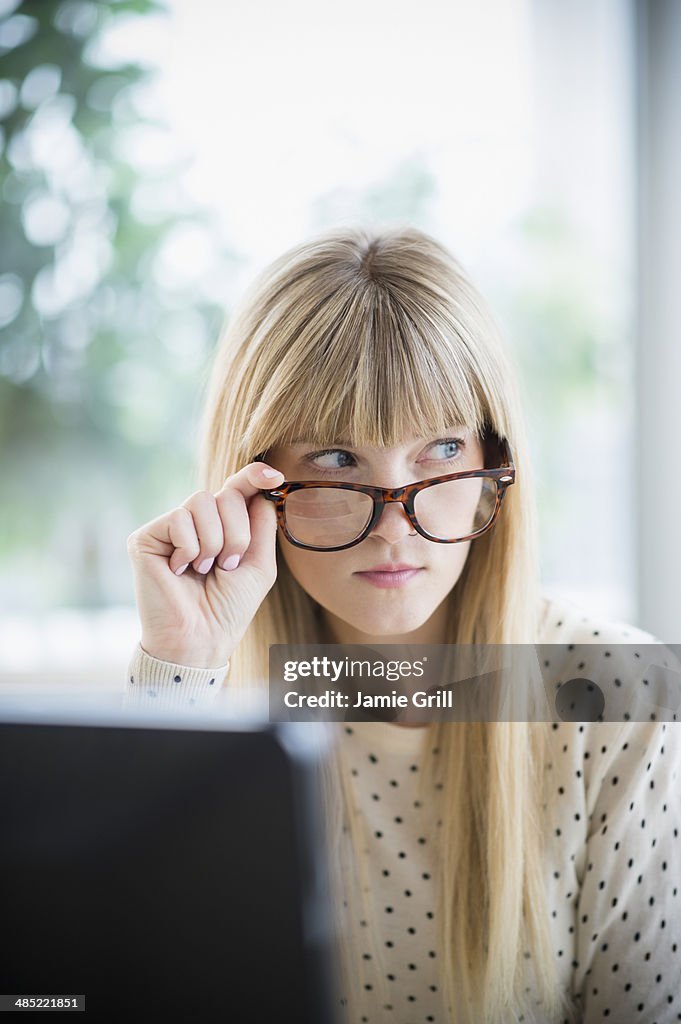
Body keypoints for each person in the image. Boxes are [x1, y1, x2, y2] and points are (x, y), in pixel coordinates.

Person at [125, 225, 681, 1024]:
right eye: (338, 461)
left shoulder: (619, 697)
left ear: (495, 467)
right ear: (250, 482)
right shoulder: (203, 694)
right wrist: (179, 667)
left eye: (441, 448)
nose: (395, 525)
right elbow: (137, 980)